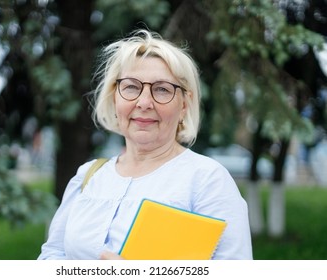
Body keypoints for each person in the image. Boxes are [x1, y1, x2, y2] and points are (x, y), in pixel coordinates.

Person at [38, 29, 253, 260]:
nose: (144, 102)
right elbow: (52, 256)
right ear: (114, 97)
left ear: (184, 105)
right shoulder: (88, 176)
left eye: (162, 90)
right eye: (131, 87)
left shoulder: (207, 181)